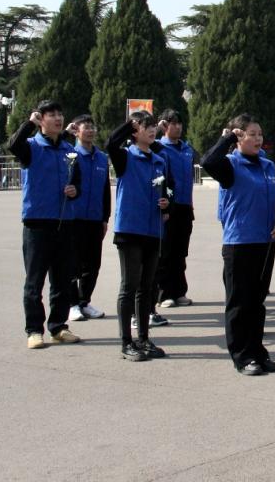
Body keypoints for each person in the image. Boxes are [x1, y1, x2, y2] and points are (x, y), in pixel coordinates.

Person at [202, 114, 275, 376]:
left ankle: (257, 351)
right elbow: (207, 162)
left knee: (257, 302)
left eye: (260, 134)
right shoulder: (230, 165)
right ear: (239, 137)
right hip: (240, 242)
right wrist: (227, 138)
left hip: (265, 242)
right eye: (251, 134)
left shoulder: (268, 166)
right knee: (239, 302)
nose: (258, 138)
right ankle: (242, 356)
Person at [7, 100, 82, 349]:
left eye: (60, 114)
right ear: (41, 119)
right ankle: (34, 330)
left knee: (62, 280)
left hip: (64, 222)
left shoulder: (69, 150)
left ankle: (58, 327)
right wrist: (29, 124)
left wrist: (75, 190)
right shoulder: (31, 147)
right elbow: (13, 145)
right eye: (52, 115)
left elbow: (78, 182)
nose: (58, 118)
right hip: (37, 223)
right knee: (35, 280)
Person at [106, 112, 171, 362]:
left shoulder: (159, 160)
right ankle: (126, 342)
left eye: (153, 126)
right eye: (146, 126)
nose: (152, 130)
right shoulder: (124, 157)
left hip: (153, 229)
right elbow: (111, 143)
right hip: (130, 229)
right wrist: (128, 125)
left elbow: (167, 190)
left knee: (147, 287)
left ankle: (143, 338)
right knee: (129, 286)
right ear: (135, 131)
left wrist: (166, 203)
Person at [65, 114, 110, 323]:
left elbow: (105, 191)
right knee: (72, 263)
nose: (91, 131)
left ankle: (84, 302)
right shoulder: (70, 154)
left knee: (92, 265)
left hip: (95, 218)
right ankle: (72, 304)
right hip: (74, 218)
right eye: (86, 127)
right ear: (77, 131)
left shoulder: (101, 157)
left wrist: (105, 217)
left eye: (93, 127)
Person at [155, 109, 197, 311]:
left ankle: (179, 291)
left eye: (180, 123)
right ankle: (164, 293)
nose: (178, 127)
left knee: (181, 252)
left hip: (185, 206)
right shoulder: (159, 148)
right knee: (166, 251)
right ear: (164, 125)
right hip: (168, 206)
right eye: (173, 123)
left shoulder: (187, 149)